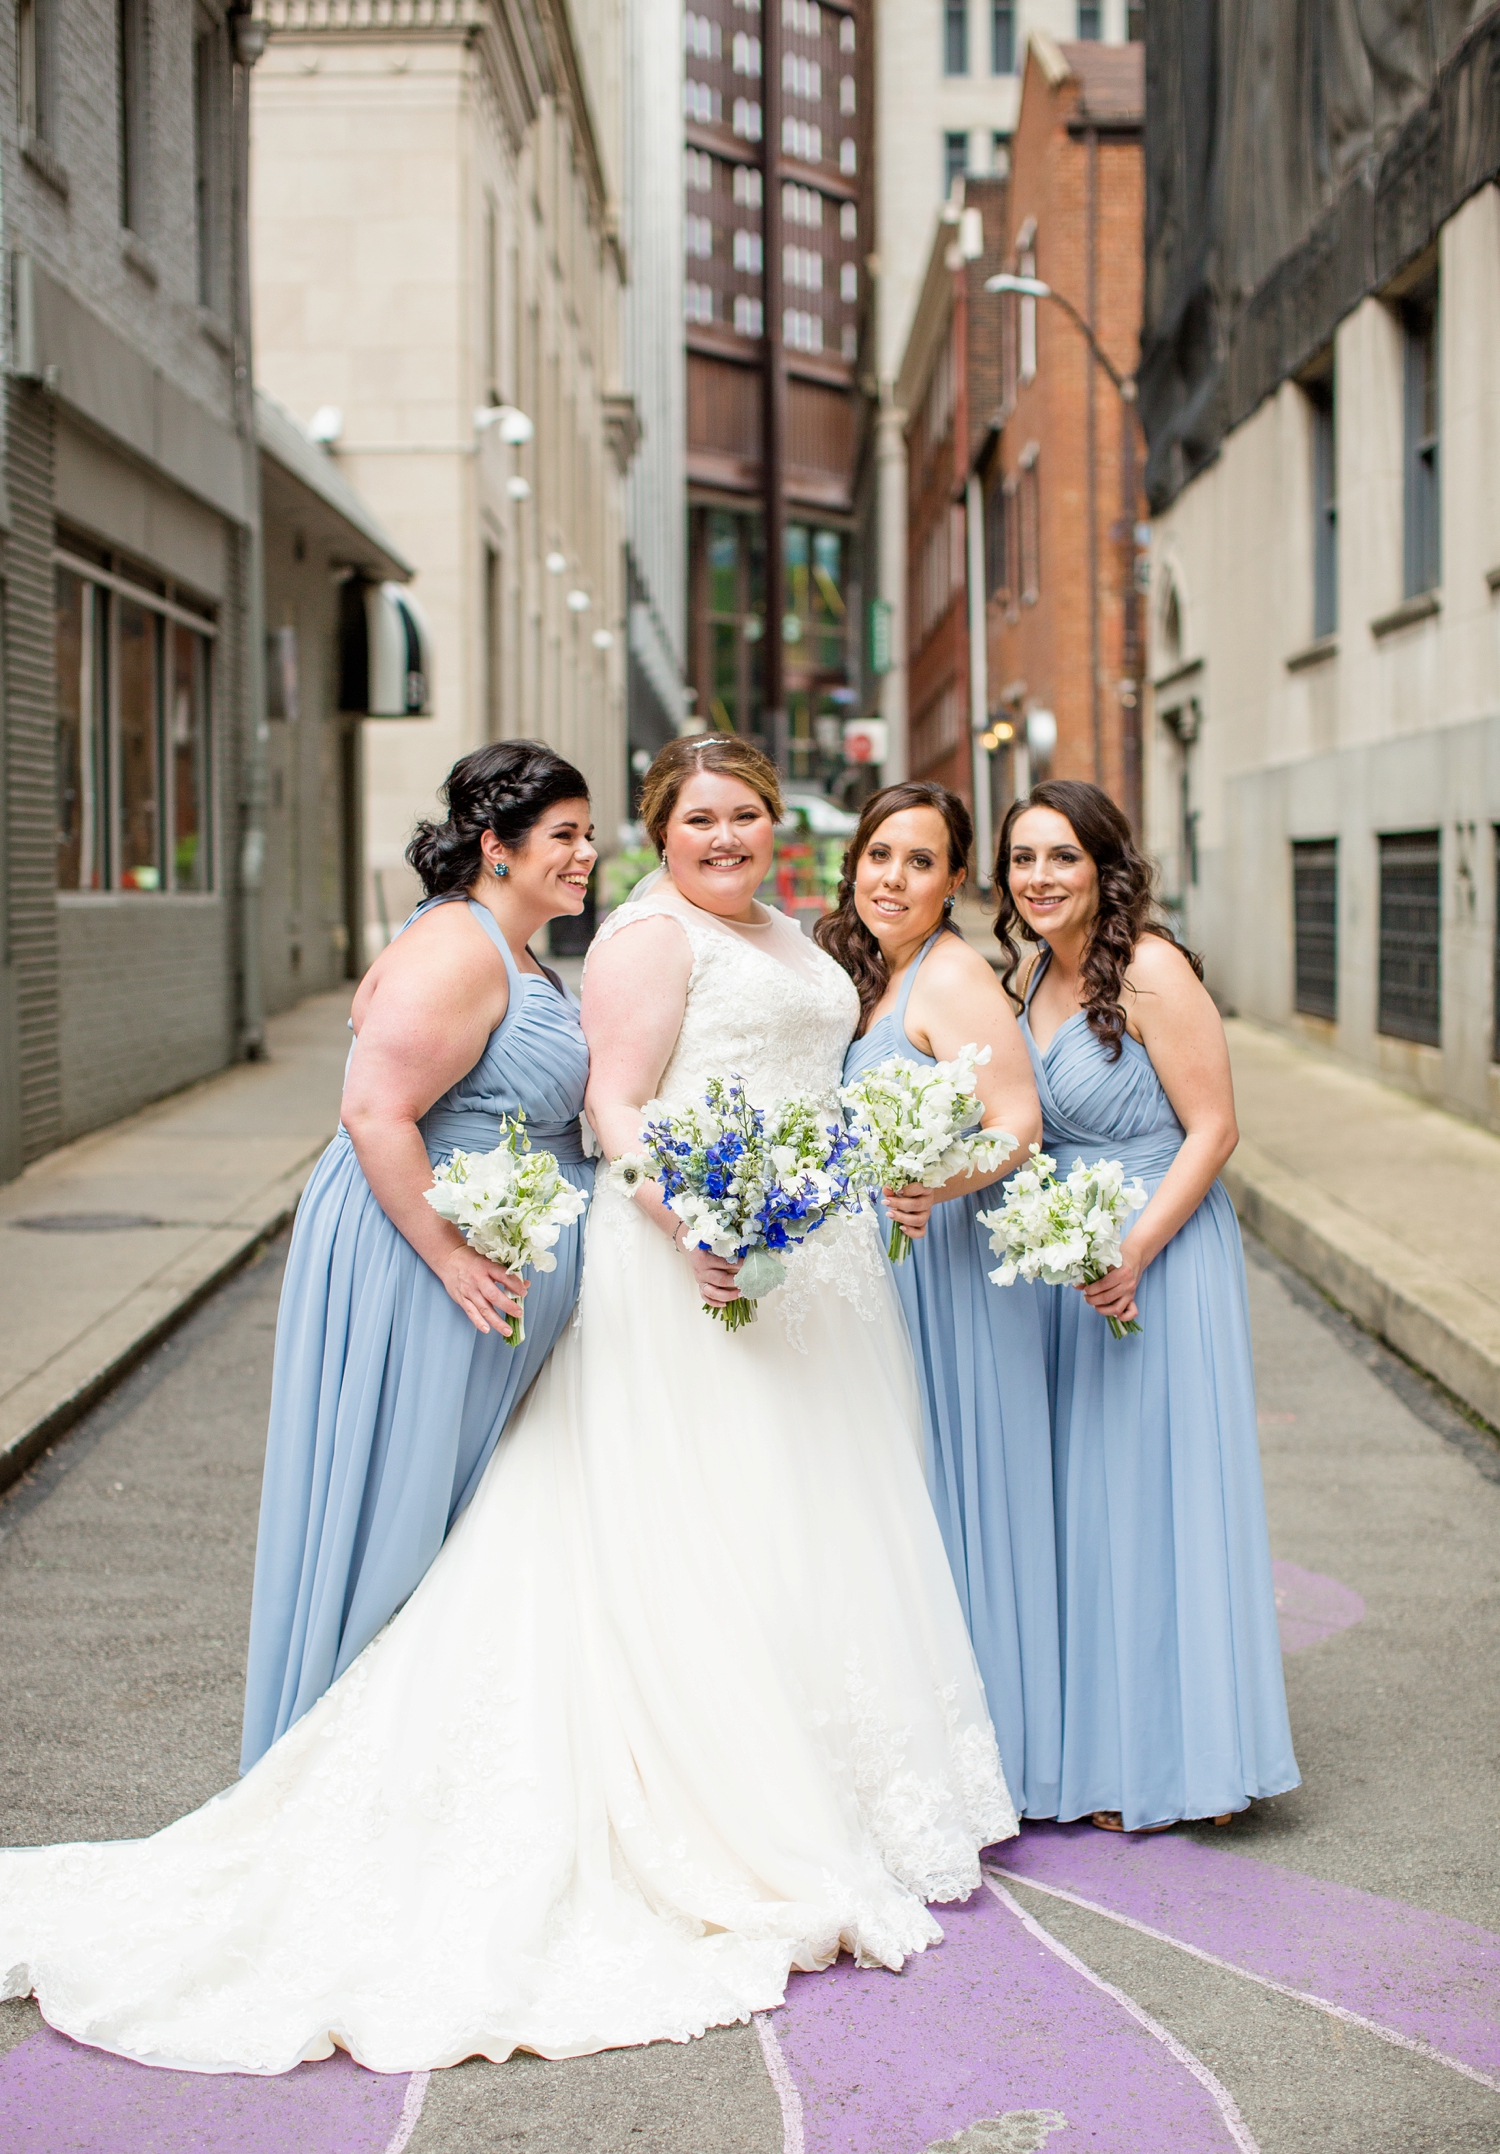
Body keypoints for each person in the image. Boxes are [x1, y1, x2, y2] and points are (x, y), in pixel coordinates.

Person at [0, 733, 1013, 2077]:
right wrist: (701, 1211)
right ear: (664, 832)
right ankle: (723, 1794)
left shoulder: (786, 932)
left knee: (816, 1509)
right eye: (696, 818)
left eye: (747, 816)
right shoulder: (651, 940)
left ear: (778, 829)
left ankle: (841, 1770)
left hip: (811, 1271)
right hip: (697, 1254)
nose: (725, 837)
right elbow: (612, 1104)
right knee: (701, 1518)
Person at [238, 741, 595, 1771]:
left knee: (452, 1515)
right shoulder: (457, 948)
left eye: (585, 834)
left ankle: (416, 1758)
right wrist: (446, 1255)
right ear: (498, 846)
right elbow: (374, 1111)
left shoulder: (514, 951)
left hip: (467, 1260)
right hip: (417, 1257)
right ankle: (343, 1763)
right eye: (563, 837)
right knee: (404, 1502)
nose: (585, 856)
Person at [999, 778, 1299, 1834]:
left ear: (1105, 868)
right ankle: (1119, 1746)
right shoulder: (1028, 973)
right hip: (1066, 1256)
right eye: (1023, 858)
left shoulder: (1153, 969)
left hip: (1159, 1247)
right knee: (1094, 1501)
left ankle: (1197, 1759)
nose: (1039, 878)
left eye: (1061, 858)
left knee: (1166, 1489)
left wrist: (1131, 1249)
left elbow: (1214, 1129)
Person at [823, 782, 1059, 1820]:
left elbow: (1019, 1122)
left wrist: (938, 1181)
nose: (894, 878)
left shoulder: (956, 976)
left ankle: (1001, 1745)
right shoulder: (857, 970)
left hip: (944, 1269)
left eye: (921, 863)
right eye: (881, 855)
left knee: (953, 1494)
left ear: (954, 880)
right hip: (868, 1272)